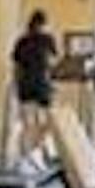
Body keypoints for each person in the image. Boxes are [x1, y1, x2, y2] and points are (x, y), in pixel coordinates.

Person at [10, 9, 59, 158]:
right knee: (44, 123)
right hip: (41, 86)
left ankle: (29, 155)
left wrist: (16, 85)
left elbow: (16, 67)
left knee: (28, 124)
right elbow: (53, 62)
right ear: (43, 24)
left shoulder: (22, 41)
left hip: (25, 86)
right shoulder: (47, 39)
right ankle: (38, 152)